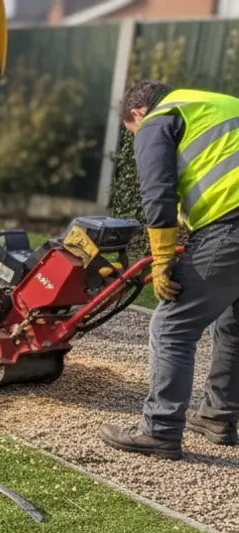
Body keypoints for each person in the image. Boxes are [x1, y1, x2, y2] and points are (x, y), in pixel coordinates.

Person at [99, 80, 239, 458]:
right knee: (232, 321)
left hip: (231, 225)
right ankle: (218, 416)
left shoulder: (160, 119)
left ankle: (160, 429)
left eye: (132, 132)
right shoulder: (219, 104)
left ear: (136, 113)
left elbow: (158, 191)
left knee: (172, 324)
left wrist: (162, 260)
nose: (136, 137)